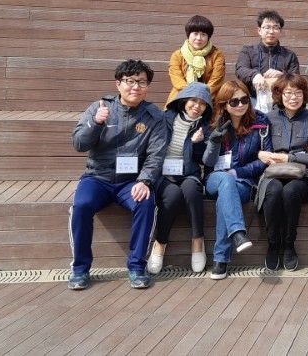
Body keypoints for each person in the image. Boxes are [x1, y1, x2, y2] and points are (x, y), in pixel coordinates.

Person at [68, 59, 167, 290]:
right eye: (130, 81)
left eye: (141, 82)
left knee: (146, 202)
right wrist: (96, 123)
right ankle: (80, 269)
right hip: (98, 177)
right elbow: (79, 144)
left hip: (130, 181)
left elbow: (156, 154)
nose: (135, 87)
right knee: (81, 205)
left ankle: (137, 267)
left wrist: (145, 180)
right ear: (118, 84)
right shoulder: (100, 107)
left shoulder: (154, 116)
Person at [201, 80, 271, 280]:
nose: (240, 105)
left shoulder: (261, 122)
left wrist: (238, 172)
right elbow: (207, 162)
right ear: (224, 104)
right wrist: (214, 142)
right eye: (234, 101)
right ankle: (238, 232)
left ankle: (221, 259)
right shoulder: (213, 123)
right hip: (214, 178)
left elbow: (266, 158)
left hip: (244, 181)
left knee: (227, 193)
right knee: (225, 181)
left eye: (244, 100)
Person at [258, 73, 308, 271]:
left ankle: (289, 244)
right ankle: (273, 244)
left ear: (305, 95)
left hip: (303, 175)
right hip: (273, 173)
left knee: (290, 191)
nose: (293, 97)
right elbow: (260, 149)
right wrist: (262, 154)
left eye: (298, 93)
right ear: (279, 95)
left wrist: (288, 158)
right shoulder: (268, 118)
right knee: (273, 191)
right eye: (288, 93)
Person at [148, 82, 213, 275]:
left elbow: (203, 160)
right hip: (164, 174)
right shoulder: (165, 118)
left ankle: (198, 241)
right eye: (193, 100)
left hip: (189, 173)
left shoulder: (205, 127)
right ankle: (160, 243)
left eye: (202, 103)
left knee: (192, 192)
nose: (197, 106)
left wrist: (198, 144)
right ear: (184, 100)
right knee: (173, 196)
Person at [235, 10, 300, 112]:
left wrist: (282, 75)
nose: (271, 31)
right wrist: (254, 75)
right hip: (252, 99)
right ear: (259, 30)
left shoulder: (289, 55)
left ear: (280, 31)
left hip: (280, 102)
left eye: (275, 27)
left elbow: (296, 79)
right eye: (267, 27)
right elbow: (240, 69)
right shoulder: (247, 51)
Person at [166, 15, 226, 105]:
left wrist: (201, 96)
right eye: (195, 33)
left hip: (209, 99)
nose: (199, 38)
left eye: (203, 34)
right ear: (188, 34)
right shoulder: (177, 55)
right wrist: (190, 95)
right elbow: (177, 80)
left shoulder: (217, 55)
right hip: (181, 97)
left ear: (208, 37)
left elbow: (216, 81)